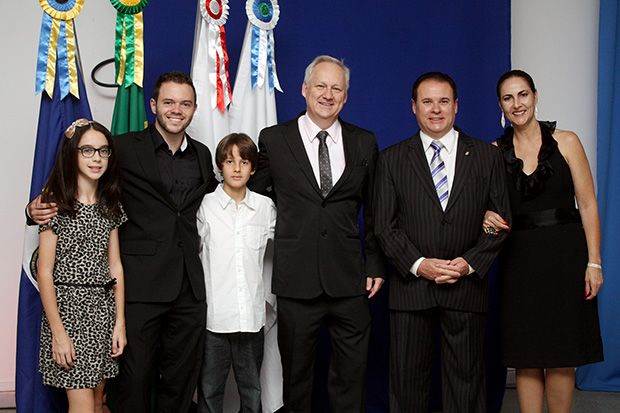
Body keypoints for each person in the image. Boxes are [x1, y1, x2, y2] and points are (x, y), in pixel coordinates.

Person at [28, 72, 219, 412]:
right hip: (141, 285)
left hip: (189, 287)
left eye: (185, 104)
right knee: (134, 380)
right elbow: (78, 170)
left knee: (180, 380)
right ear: (153, 105)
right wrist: (33, 210)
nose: (176, 110)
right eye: (169, 102)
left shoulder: (202, 155)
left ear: (194, 109)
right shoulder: (124, 147)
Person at [251, 55, 385, 412]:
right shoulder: (274, 140)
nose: (328, 94)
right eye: (321, 86)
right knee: (297, 380)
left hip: (350, 280)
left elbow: (375, 209)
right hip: (296, 279)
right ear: (304, 89)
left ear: (346, 96)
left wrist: (375, 263)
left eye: (336, 88)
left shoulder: (364, 142)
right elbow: (254, 200)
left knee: (351, 377)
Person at [373, 72, 511, 412]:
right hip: (411, 290)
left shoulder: (487, 156)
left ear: (456, 106)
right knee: (407, 386)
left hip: (466, 289)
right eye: (427, 102)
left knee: (466, 387)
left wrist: (468, 264)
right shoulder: (391, 159)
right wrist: (420, 265)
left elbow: (500, 223)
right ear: (414, 107)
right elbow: (384, 226)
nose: (436, 109)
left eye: (444, 101)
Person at [483, 69, 604, 413]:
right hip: (519, 261)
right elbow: (483, 208)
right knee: (527, 354)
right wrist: (484, 216)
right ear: (500, 106)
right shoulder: (493, 152)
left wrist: (594, 262)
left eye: (523, 94)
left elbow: (588, 203)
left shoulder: (567, 141)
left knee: (562, 352)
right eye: (508, 98)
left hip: (566, 257)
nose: (517, 104)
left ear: (535, 97)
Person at [36, 119, 127, 412]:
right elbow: (44, 272)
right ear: (72, 154)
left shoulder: (109, 203)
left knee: (99, 403)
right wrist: (58, 333)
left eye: (103, 151)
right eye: (87, 150)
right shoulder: (54, 203)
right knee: (82, 407)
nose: (96, 158)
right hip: (68, 315)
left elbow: (115, 266)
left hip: (103, 313)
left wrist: (120, 323)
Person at [196, 133, 276, 413]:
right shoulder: (205, 206)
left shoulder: (265, 207)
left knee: (252, 392)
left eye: (244, 162)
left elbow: (290, 245)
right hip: (214, 318)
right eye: (230, 162)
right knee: (209, 391)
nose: (237, 168)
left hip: (251, 318)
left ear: (253, 168)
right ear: (220, 166)